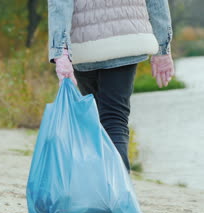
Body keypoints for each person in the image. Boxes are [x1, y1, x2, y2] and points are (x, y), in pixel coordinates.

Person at [48, 0, 174, 172]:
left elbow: (60, 5)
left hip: (84, 43)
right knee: (114, 119)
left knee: (97, 120)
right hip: (127, 37)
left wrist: (60, 51)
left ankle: (107, 188)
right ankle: (119, 191)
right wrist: (163, 48)